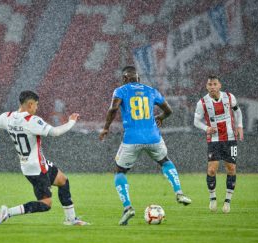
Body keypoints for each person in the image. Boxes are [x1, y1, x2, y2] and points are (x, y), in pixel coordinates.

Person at [0, 90, 88, 226]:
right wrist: (71, 122)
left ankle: (71, 219)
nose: (36, 108)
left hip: (34, 164)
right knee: (46, 204)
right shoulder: (32, 120)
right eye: (36, 105)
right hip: (36, 168)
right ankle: (8, 212)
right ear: (29, 104)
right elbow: (56, 132)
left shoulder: (8, 117)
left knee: (63, 181)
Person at [99, 66, 192, 226]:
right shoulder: (151, 90)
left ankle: (128, 207)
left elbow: (113, 108)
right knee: (165, 161)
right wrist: (161, 117)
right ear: (139, 78)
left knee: (120, 171)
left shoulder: (120, 90)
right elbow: (169, 110)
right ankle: (179, 192)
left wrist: (106, 127)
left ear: (124, 79)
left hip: (132, 138)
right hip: (153, 137)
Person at [193, 75, 243, 213]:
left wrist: (239, 126)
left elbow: (237, 111)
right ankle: (213, 198)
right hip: (214, 139)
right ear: (206, 86)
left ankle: (227, 201)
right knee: (212, 170)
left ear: (219, 85)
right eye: (210, 84)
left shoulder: (229, 97)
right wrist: (206, 128)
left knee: (231, 169)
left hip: (230, 137)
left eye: (215, 84)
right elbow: (196, 121)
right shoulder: (202, 102)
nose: (212, 87)